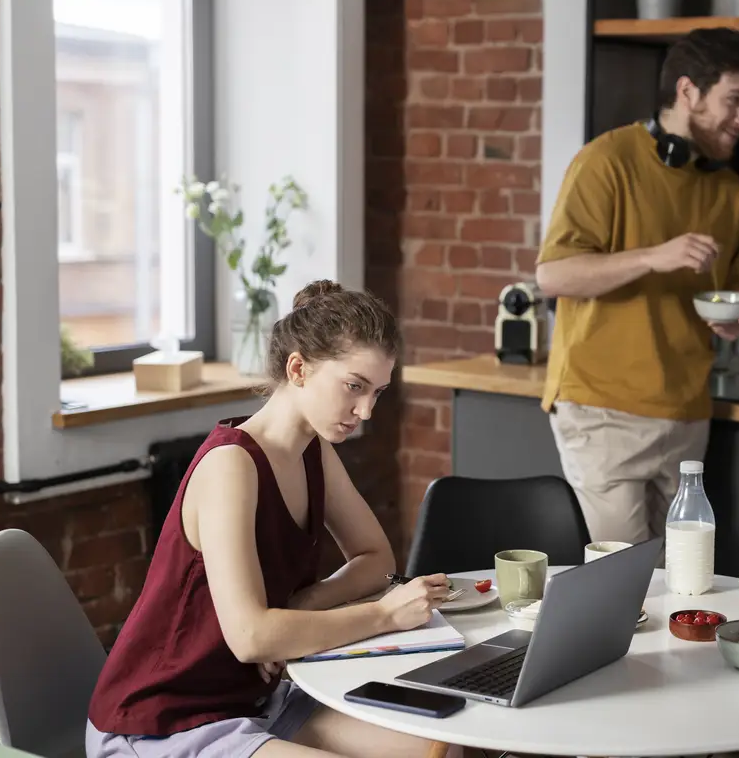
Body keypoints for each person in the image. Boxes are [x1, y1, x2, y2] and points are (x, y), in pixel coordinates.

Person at [86, 281, 468, 758]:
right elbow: (251, 638)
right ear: (298, 369)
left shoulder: (314, 451)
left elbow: (376, 558)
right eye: (354, 386)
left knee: (444, 749)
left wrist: (304, 605)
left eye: (378, 392)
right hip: (164, 720)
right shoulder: (230, 465)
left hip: (257, 701)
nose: (366, 411)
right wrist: (384, 615)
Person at [535, 27, 739, 544]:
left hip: (687, 418)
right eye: (734, 100)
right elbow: (553, 274)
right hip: (603, 413)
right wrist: (654, 257)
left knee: (683, 579)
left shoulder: (728, 191)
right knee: (623, 580)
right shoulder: (606, 161)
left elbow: (729, 296)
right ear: (688, 91)